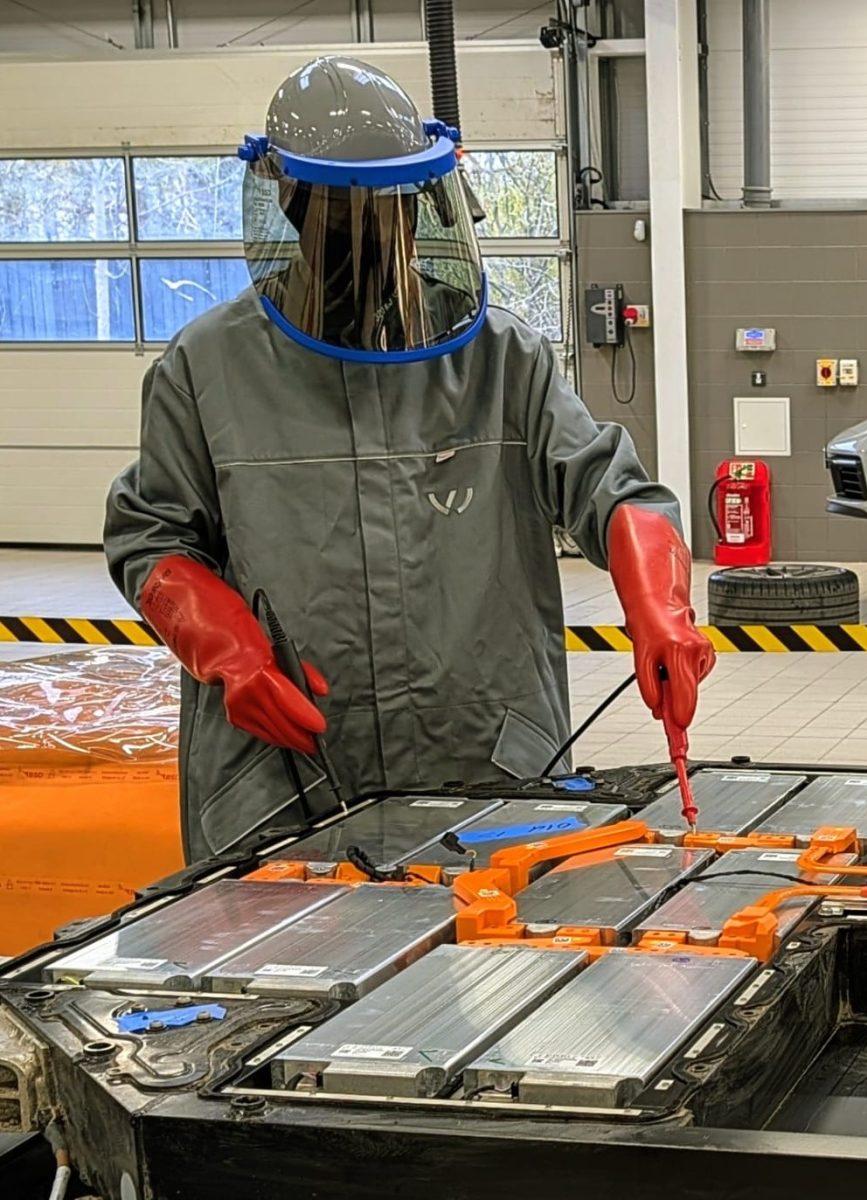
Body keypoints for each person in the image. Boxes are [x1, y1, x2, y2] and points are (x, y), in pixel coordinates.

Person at [104, 55, 714, 862]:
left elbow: (614, 489)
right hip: (282, 781)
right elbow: (151, 539)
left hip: (485, 767)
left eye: (384, 209)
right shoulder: (204, 369)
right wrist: (229, 651)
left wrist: (661, 610)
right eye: (337, 214)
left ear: (424, 205)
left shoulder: (502, 360)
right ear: (286, 200)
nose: (362, 236)